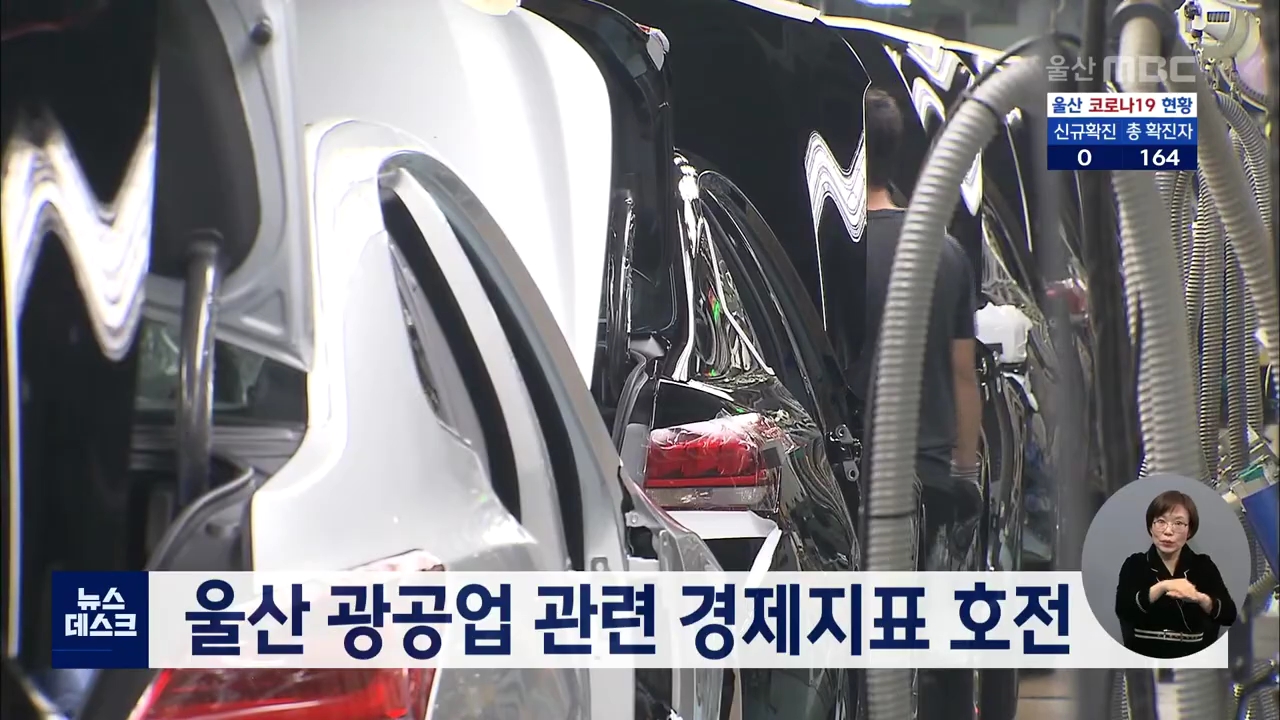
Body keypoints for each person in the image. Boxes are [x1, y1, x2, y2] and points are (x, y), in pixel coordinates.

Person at [853, 87, 984, 720]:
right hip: (928, 475)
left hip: (849, 477)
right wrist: (965, 471)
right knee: (936, 638)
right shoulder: (943, 250)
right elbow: (964, 374)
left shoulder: (830, 250)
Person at [1114, 490, 1238, 658]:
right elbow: (1123, 609)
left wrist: (1200, 598)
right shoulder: (1135, 564)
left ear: (1189, 530)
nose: (1168, 531)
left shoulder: (1203, 565)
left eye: (1178, 523)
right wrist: (1163, 587)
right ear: (1150, 527)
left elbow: (1229, 615)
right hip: (1147, 659)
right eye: (1161, 522)